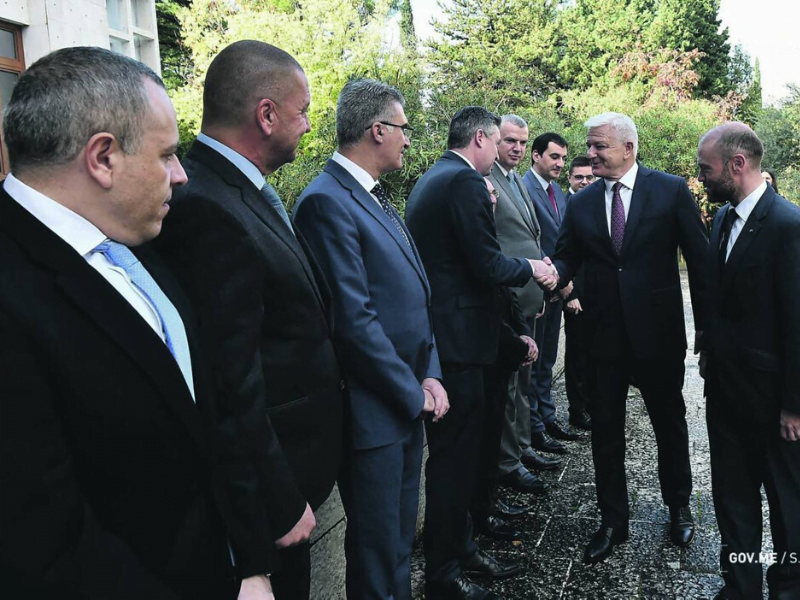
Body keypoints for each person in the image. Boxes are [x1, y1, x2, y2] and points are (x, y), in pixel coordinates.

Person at [0, 46, 262, 598]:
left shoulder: (136, 239)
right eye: (167, 155)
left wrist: (250, 563)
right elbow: (42, 541)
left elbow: (207, 416)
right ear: (103, 158)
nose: (181, 175)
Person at [152, 41, 344, 600]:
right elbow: (228, 377)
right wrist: (279, 500)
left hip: (293, 479)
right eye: (302, 111)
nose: (308, 125)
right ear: (266, 114)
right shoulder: (203, 205)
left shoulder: (240, 189)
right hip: (269, 500)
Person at [292, 78, 446, 600]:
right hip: (374, 413)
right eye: (403, 128)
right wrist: (412, 392)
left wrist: (431, 373)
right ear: (377, 130)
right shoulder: (325, 201)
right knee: (378, 557)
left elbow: (414, 300)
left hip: (405, 402)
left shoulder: (372, 195)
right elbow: (353, 321)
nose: (408, 138)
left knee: (398, 546)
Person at [405, 106, 556, 600]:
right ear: (480, 139)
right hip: (460, 346)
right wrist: (532, 268)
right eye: (496, 142)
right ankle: (444, 575)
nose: (498, 153)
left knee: (463, 459)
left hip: (456, 339)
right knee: (454, 465)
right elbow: (485, 265)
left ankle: (463, 548)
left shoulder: (434, 177)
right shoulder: (465, 181)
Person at [552, 112, 709, 565]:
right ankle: (612, 521)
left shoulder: (670, 191)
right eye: (589, 145)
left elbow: (700, 262)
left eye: (599, 146)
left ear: (628, 148)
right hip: (602, 337)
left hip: (658, 335)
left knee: (669, 424)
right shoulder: (581, 203)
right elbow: (566, 257)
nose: (591, 154)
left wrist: (708, 328)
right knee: (605, 432)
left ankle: (679, 506)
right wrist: (550, 275)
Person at [697, 123, 800, 600]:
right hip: (725, 392)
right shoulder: (722, 218)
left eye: (706, 169)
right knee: (733, 500)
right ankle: (740, 586)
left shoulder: (788, 225)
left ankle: (788, 587)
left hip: (774, 400)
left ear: (737, 164)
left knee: (786, 505)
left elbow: (797, 322)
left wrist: (794, 406)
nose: (701, 177)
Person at [487, 115, 562, 500]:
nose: (516, 147)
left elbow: (530, 236)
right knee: (510, 387)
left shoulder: (515, 179)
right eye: (509, 140)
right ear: (492, 140)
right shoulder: (485, 180)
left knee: (524, 383)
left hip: (530, 297)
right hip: (507, 299)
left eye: (521, 141)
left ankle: (521, 448)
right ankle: (508, 462)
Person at [469, 177, 539, 544]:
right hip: (486, 353)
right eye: (487, 193)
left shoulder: (491, 235)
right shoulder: (474, 240)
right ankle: (482, 514)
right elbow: (486, 304)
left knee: (497, 427)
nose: (493, 198)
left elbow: (507, 296)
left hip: (505, 346)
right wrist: (516, 341)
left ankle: (491, 505)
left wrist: (522, 333)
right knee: (482, 442)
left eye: (495, 192)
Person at [522, 132, 581, 455]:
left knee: (546, 360)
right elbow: (532, 241)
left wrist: (562, 280)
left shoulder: (556, 191)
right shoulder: (523, 188)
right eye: (554, 157)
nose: (560, 164)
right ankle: (534, 428)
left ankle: (547, 418)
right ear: (536, 155)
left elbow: (563, 240)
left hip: (556, 287)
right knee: (532, 365)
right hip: (537, 288)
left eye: (563, 158)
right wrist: (558, 281)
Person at [562, 155, 595, 431]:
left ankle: (594, 405)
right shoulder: (565, 205)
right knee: (577, 356)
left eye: (589, 177)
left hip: (600, 292)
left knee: (596, 354)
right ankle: (578, 409)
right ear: (570, 178)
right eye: (579, 177)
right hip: (575, 292)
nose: (584, 181)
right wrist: (570, 292)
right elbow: (561, 251)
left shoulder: (599, 202)